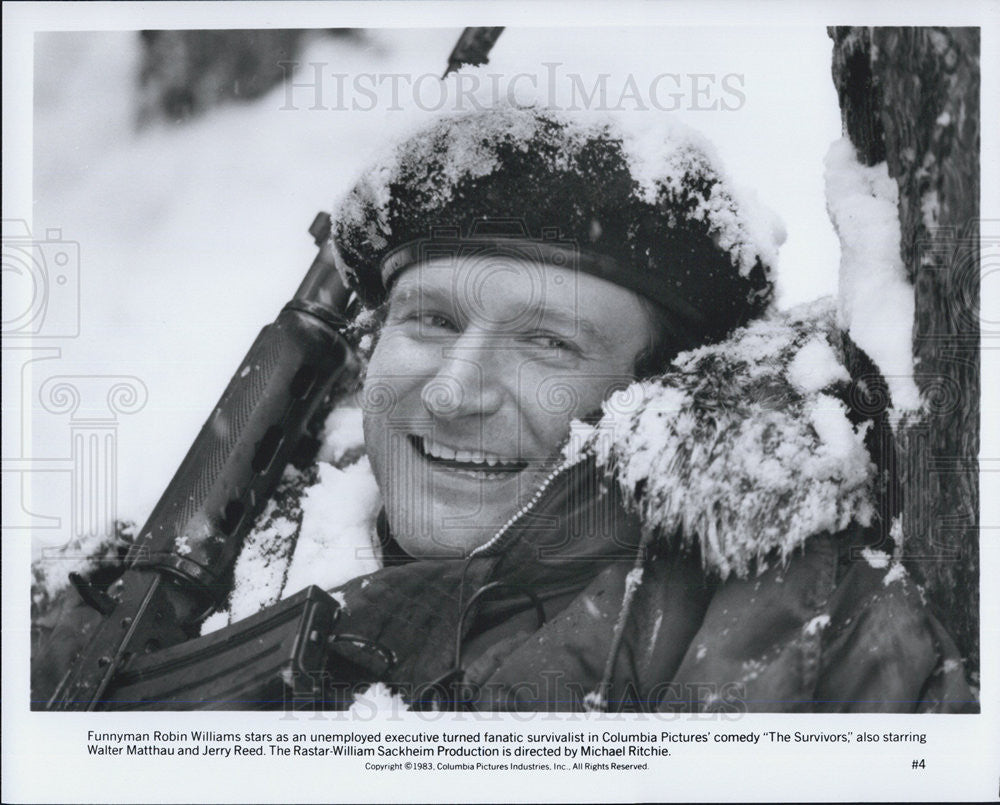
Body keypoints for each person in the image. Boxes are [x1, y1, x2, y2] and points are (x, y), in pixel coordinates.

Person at [31, 104, 975, 713]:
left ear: (650, 395)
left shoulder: (782, 632)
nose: (453, 392)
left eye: (546, 342)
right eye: (431, 320)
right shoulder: (116, 598)